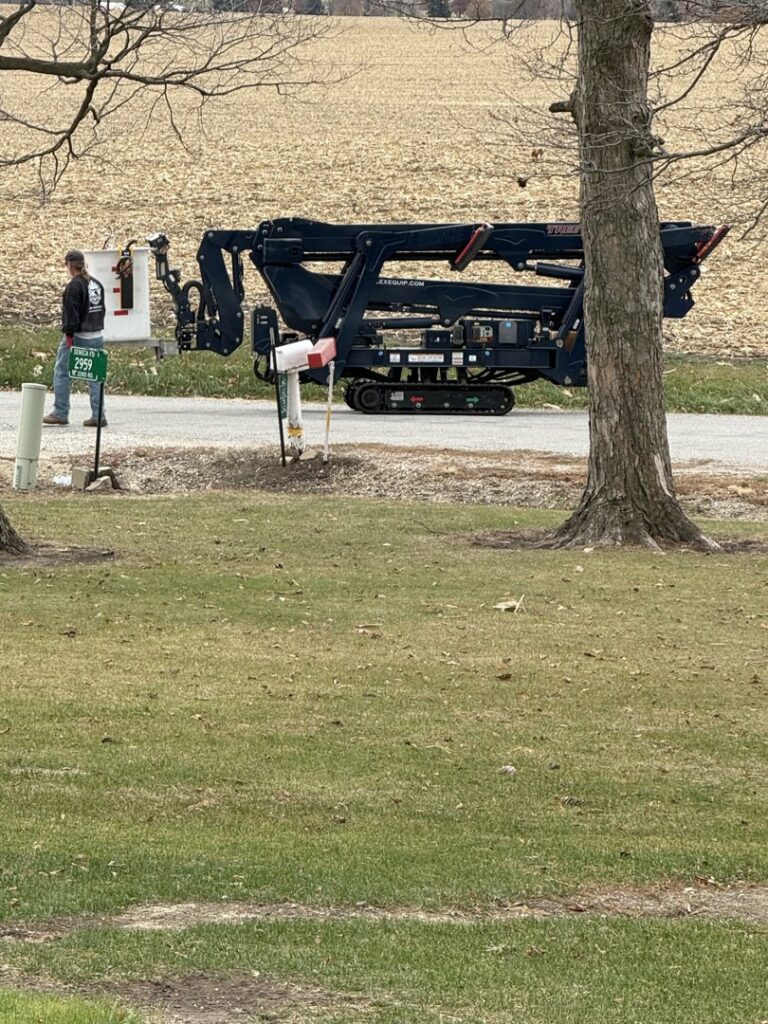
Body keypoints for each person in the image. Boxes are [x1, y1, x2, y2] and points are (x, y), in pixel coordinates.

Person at [44, 249, 107, 427]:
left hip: (79, 335)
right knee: (95, 376)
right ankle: (98, 415)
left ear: (70, 265)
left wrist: (69, 334)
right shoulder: (96, 283)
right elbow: (102, 308)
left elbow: (71, 313)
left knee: (62, 372)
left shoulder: (74, 286)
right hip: (96, 335)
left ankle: (60, 412)